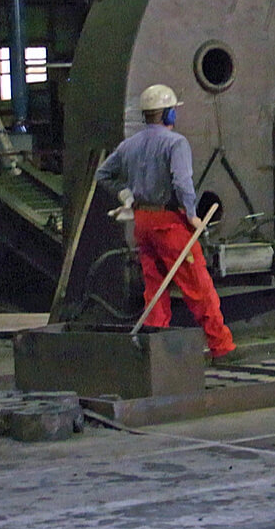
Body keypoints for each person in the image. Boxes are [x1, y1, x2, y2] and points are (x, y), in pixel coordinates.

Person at [95, 84, 235, 360]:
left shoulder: (129, 145)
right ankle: (221, 347)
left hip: (143, 223)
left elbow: (103, 174)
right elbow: (182, 182)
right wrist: (192, 215)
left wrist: (127, 196)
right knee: (198, 288)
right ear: (169, 115)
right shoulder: (175, 143)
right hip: (169, 224)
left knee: (155, 287)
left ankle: (154, 349)